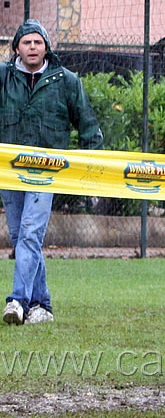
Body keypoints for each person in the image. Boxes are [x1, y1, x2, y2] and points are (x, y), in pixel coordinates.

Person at [0, 19, 104, 325]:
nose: (32, 47)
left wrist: (94, 166)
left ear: (47, 47)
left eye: (38, 42)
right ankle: (42, 305)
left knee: (30, 235)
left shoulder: (67, 80)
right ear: (17, 46)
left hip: (47, 173)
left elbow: (87, 124)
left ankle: (17, 300)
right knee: (21, 236)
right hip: (8, 172)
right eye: (27, 42)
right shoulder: (3, 76)